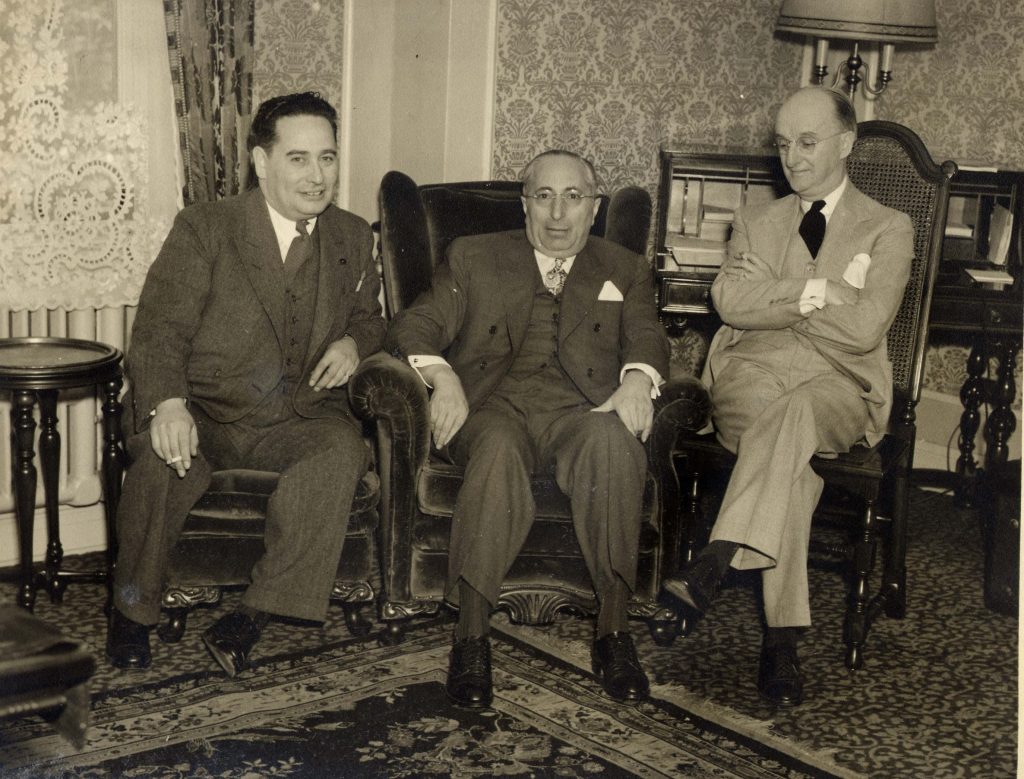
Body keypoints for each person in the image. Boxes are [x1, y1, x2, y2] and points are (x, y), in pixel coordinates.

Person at [106, 91, 385, 676]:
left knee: (342, 452)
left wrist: (353, 343)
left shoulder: (354, 236)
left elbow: (369, 316)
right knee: (160, 467)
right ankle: (132, 612)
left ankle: (257, 612)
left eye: (328, 158)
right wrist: (168, 405)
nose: (317, 176)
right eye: (299, 158)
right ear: (261, 162)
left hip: (299, 417)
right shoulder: (207, 228)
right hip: (206, 412)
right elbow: (159, 330)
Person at [385, 149, 670, 707]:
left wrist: (637, 379)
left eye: (573, 198)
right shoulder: (473, 256)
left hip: (582, 413)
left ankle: (614, 633)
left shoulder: (624, 267)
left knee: (613, 445)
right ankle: (471, 638)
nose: (558, 214)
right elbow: (414, 324)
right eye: (543, 197)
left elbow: (647, 336)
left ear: (595, 207)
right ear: (524, 205)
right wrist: (442, 377)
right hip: (494, 408)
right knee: (495, 451)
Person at [662, 86, 914, 706]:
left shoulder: (889, 227)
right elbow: (730, 304)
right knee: (791, 465)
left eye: (807, 143)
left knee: (795, 418)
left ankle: (718, 554)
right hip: (753, 376)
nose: (792, 159)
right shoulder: (756, 219)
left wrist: (775, 291)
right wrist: (820, 292)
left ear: (846, 143)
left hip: (838, 387)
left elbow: (865, 329)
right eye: (782, 145)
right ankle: (781, 641)